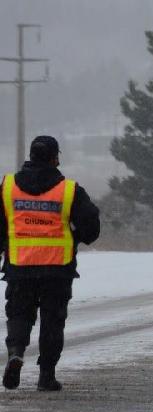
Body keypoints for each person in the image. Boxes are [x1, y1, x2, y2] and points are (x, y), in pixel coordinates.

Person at [1, 136, 100, 391]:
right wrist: (75, 236)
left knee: (19, 314)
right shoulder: (69, 190)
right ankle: (46, 376)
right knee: (52, 322)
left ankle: (16, 352)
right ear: (55, 158)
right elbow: (91, 227)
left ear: (31, 156)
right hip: (57, 269)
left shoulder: (8, 186)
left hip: (20, 267)